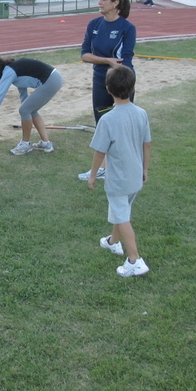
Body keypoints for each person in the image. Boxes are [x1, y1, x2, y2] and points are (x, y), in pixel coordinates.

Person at [87, 65, 152, 278]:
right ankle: (113, 242)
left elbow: (100, 151)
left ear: (107, 90)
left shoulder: (107, 120)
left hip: (118, 178)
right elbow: (147, 145)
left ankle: (135, 260)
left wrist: (93, 174)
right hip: (136, 176)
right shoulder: (141, 113)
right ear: (132, 88)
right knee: (122, 210)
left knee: (122, 216)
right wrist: (145, 169)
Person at [78, 0, 136, 181]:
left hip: (121, 81)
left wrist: (117, 77)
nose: (99, 2)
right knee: (102, 125)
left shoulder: (127, 28)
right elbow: (85, 55)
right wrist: (107, 61)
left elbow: (125, 61)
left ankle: (124, 168)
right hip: (100, 80)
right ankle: (102, 169)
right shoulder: (94, 24)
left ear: (116, 3)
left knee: (123, 127)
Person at [0, 56, 63, 155]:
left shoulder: (9, 72)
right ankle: (46, 144)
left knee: (25, 110)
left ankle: (25, 144)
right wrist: (26, 110)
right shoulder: (13, 69)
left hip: (51, 80)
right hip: (54, 78)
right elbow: (23, 93)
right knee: (29, 110)